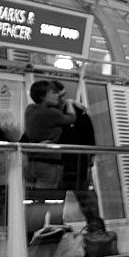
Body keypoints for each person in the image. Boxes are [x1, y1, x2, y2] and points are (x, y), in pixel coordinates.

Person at [22, 78, 106, 232]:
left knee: (89, 206)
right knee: (53, 207)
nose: (60, 99)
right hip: (56, 168)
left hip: (77, 167)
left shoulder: (77, 112)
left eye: (63, 95)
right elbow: (26, 139)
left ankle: (98, 237)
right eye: (57, 95)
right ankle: (49, 238)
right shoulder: (47, 113)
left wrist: (90, 160)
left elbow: (89, 137)